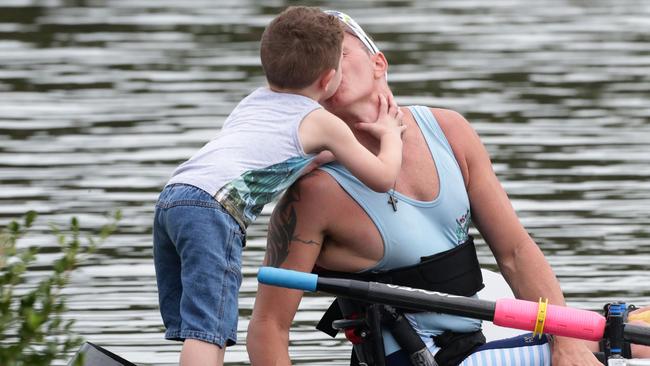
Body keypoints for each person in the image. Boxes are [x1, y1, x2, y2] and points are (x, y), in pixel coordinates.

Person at [246, 10, 650, 366]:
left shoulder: (449, 131)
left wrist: (566, 341)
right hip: (418, 357)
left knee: (638, 326)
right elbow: (269, 325)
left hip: (477, 342)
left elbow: (515, 251)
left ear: (378, 63)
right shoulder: (313, 194)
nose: (328, 63)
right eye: (316, 58)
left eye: (339, 50)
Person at [152, 6, 406, 366]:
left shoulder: (252, 102)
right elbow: (382, 178)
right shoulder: (320, 121)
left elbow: (266, 155)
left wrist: (320, 159)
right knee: (207, 330)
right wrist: (391, 135)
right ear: (328, 78)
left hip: (173, 197)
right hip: (213, 209)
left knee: (191, 323)